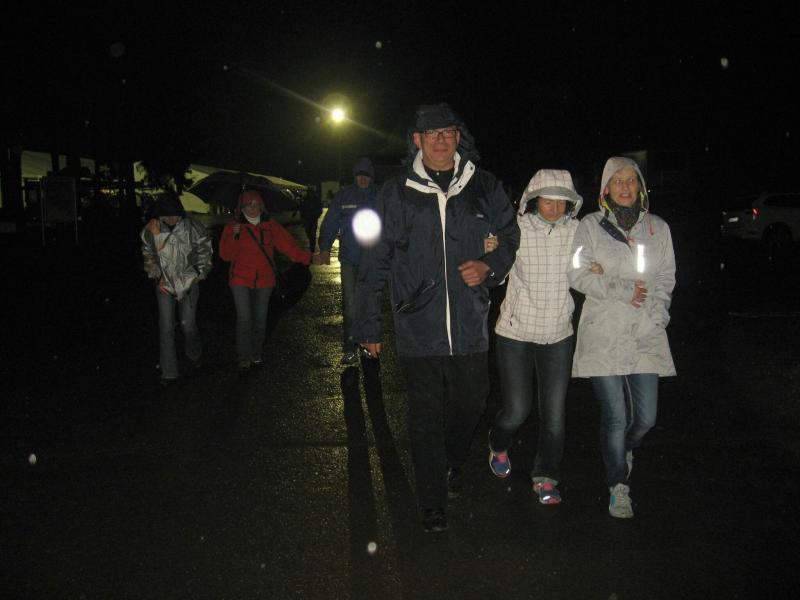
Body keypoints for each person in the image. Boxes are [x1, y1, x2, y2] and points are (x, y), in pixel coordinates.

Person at [352, 103, 520, 533]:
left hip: (469, 322)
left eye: (448, 132)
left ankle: (449, 459)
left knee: (473, 401)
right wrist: (368, 324)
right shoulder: (396, 193)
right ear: (417, 140)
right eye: (432, 134)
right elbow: (376, 259)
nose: (441, 140)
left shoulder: (484, 185)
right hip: (417, 322)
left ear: (458, 137)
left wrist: (490, 266)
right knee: (425, 414)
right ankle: (432, 500)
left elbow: (509, 235)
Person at [568, 156, 676, 519]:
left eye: (631, 180)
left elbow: (665, 278)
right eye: (618, 181)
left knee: (645, 419)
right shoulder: (589, 226)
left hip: (644, 332)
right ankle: (618, 484)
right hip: (603, 331)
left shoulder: (658, 229)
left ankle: (624, 448)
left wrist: (657, 315)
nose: (625, 187)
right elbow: (577, 272)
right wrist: (618, 287)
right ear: (606, 189)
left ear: (640, 186)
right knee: (615, 416)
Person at [488, 169, 584, 506]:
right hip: (515, 331)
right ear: (533, 200)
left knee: (554, 415)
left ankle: (546, 476)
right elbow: (496, 275)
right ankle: (498, 443)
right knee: (517, 410)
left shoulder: (577, 231)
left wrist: (597, 268)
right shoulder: (515, 230)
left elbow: (584, 268)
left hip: (558, 333)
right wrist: (490, 251)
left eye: (561, 202)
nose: (554, 208)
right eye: (547, 200)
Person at [219, 189, 315, 373]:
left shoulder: (270, 225)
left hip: (265, 281)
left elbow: (289, 247)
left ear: (262, 206)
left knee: (260, 319)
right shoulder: (233, 227)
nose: (253, 208)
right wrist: (234, 235)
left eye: (257, 205)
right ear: (241, 208)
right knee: (244, 319)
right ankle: (244, 358)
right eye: (249, 205)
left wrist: (309, 258)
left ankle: (256, 354)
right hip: (240, 279)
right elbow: (226, 255)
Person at [140, 190, 213, 386]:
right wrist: (156, 275)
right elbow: (148, 255)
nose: (171, 219)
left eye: (174, 215)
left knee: (187, 325)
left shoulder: (192, 227)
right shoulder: (152, 229)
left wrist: (199, 273)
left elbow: (205, 250)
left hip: (189, 283)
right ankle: (169, 371)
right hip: (164, 285)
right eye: (167, 215)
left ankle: (194, 353)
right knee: (166, 327)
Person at [316, 157, 379, 365]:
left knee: (370, 305)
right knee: (350, 305)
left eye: (366, 175)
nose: (363, 179)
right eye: (360, 175)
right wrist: (325, 248)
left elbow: (393, 225)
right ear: (355, 176)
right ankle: (350, 347)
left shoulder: (380, 196)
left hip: (373, 261)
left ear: (371, 177)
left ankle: (368, 344)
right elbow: (330, 223)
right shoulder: (344, 196)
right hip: (350, 260)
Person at [299, 185, 323, 252]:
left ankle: (312, 244)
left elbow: (320, 209)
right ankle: (312, 242)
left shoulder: (315, 199)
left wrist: (316, 215)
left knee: (312, 232)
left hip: (312, 219)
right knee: (309, 232)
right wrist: (303, 216)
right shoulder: (305, 199)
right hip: (308, 219)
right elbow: (302, 209)